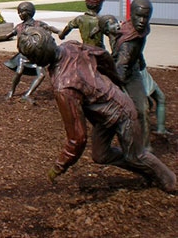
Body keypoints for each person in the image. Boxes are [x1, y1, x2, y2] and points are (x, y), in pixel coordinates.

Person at [17, 26, 176, 193]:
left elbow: (77, 138)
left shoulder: (63, 86)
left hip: (121, 112)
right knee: (101, 155)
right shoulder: (70, 46)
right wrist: (114, 79)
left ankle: (170, 180)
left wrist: (59, 166)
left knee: (136, 155)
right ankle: (148, 172)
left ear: (37, 59)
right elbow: (103, 55)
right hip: (105, 116)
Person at [113, 0, 154, 149]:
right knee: (128, 111)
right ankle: (127, 146)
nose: (143, 21)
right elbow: (121, 66)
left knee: (143, 109)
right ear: (131, 14)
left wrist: (140, 58)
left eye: (146, 16)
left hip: (133, 70)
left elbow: (138, 46)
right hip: (122, 75)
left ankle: (145, 147)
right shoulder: (127, 41)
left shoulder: (142, 29)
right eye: (139, 16)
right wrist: (120, 91)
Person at [3, 1, 60, 102]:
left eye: (21, 12)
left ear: (29, 12)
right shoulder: (19, 27)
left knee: (41, 75)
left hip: (37, 56)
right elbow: (7, 35)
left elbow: (50, 28)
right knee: (19, 72)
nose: (19, 15)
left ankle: (27, 94)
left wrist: (59, 32)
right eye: (18, 13)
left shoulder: (38, 24)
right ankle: (11, 91)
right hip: (24, 55)